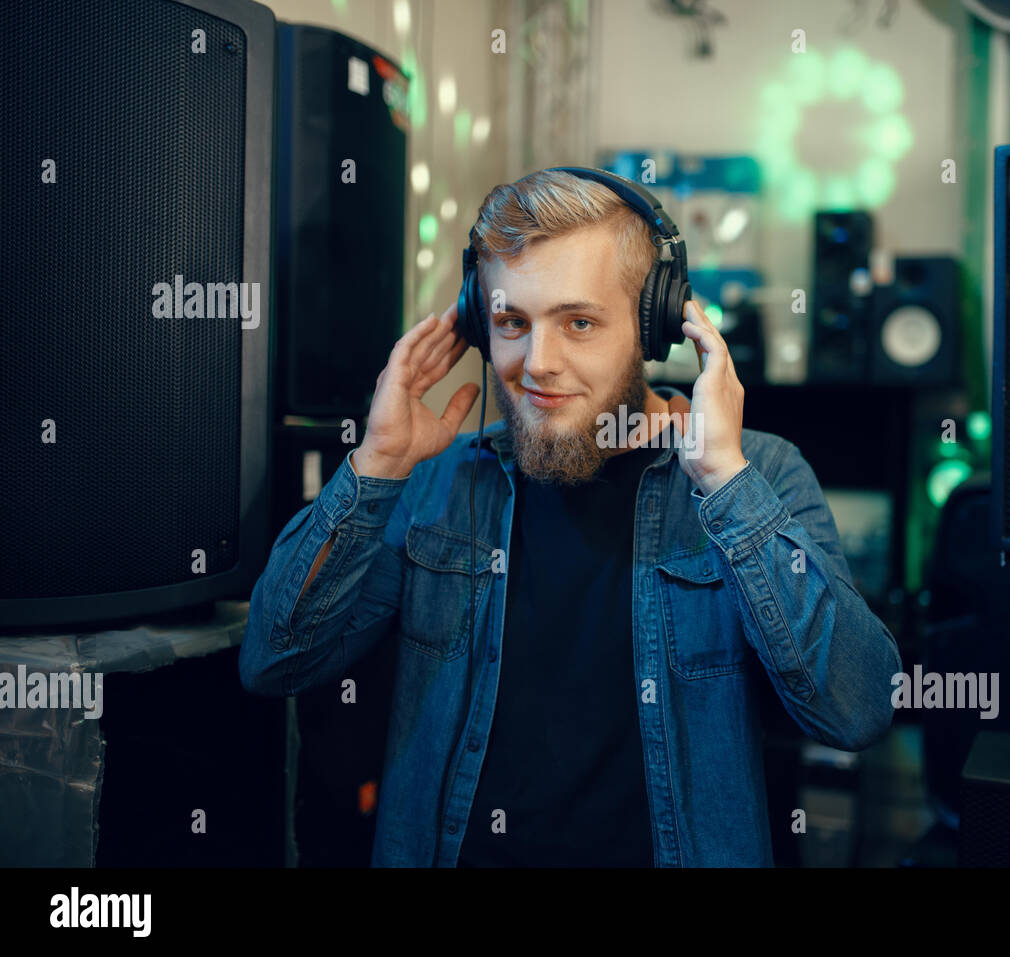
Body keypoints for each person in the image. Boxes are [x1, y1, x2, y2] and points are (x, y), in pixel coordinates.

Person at [238, 169, 901, 867]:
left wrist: (721, 478)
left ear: (656, 326)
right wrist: (375, 463)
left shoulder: (758, 474)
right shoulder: (433, 481)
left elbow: (856, 708)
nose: (538, 363)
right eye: (512, 323)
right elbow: (276, 658)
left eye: (578, 322)